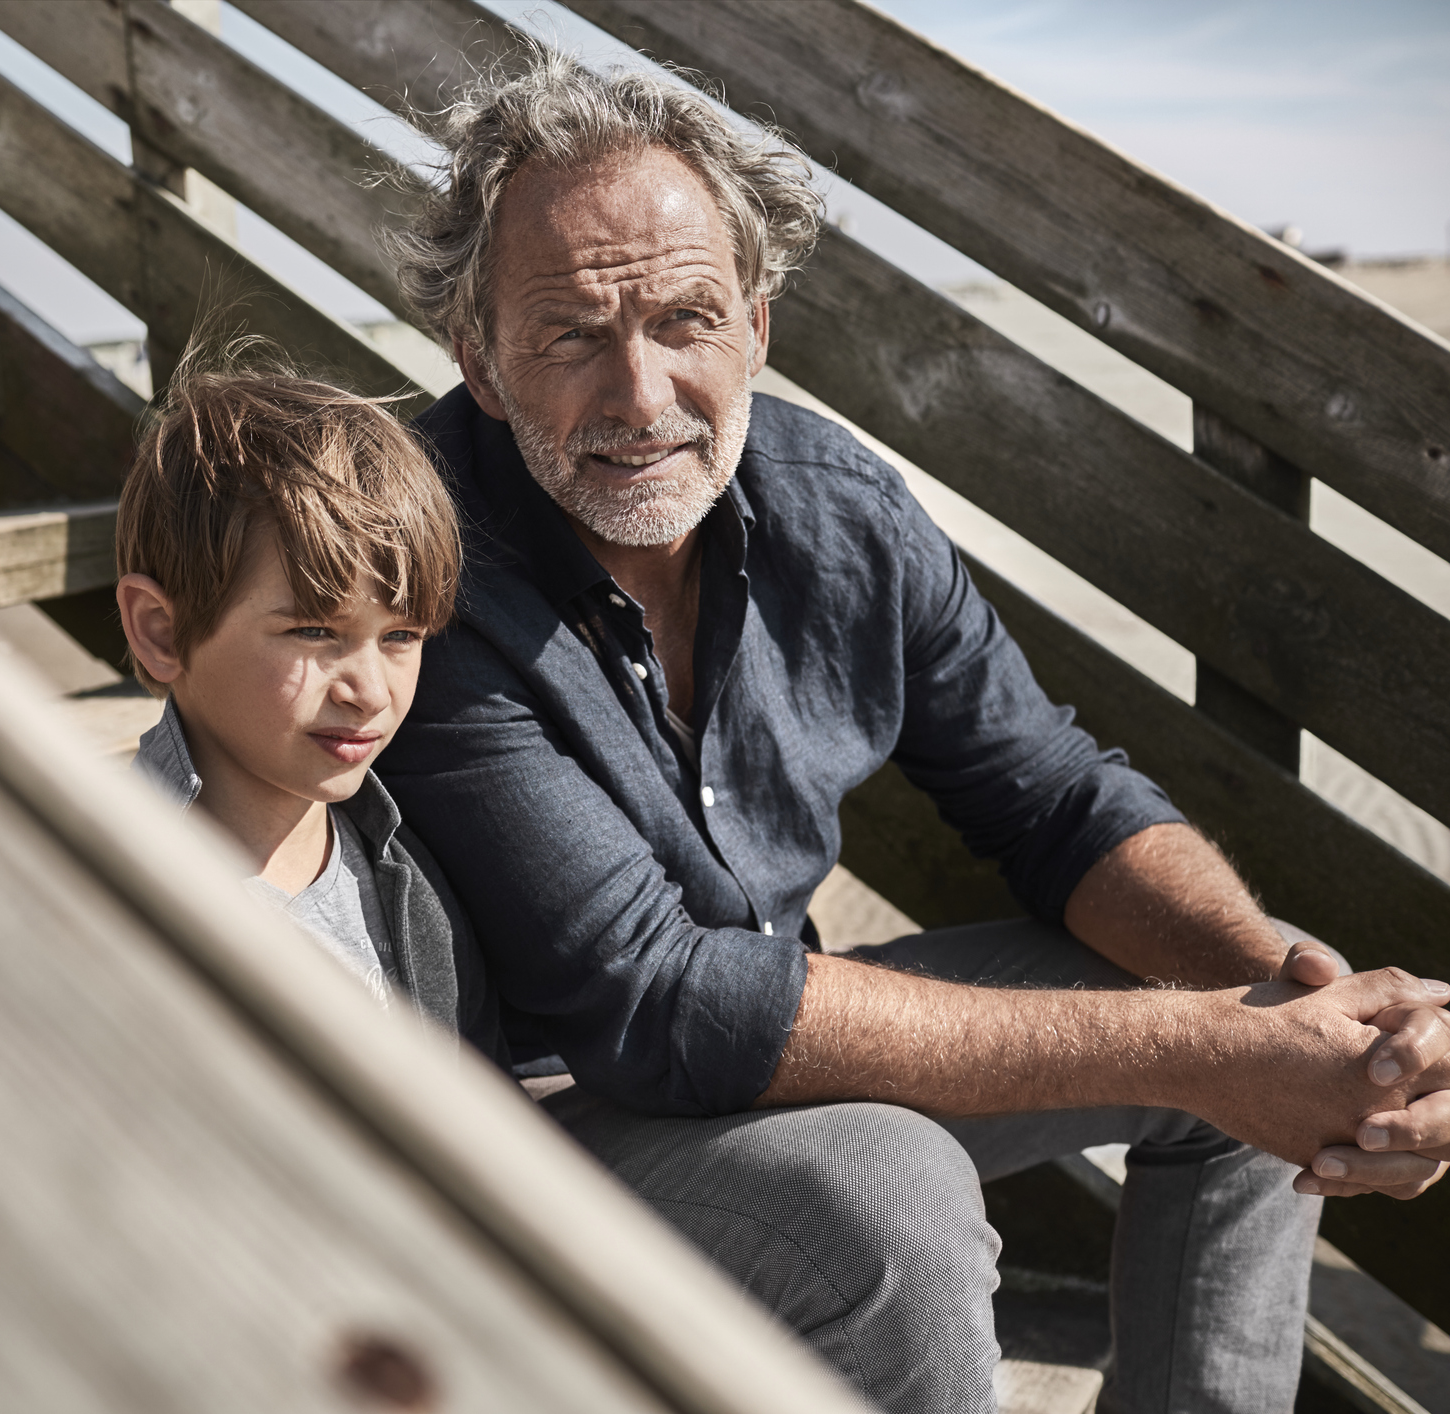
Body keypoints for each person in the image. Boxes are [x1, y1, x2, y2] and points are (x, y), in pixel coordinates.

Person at [373, 50, 1450, 1413]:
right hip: (517, 1129)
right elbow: (656, 1002)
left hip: (759, 1044)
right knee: (899, 1181)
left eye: (687, 320)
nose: (642, 398)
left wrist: (1299, 1015)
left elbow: (1053, 799)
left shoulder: (838, 508)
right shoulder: (418, 562)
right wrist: (1199, 1047)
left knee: (1259, 1018)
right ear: (477, 356)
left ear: (757, 326)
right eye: (574, 334)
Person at [112, 357, 504, 1059]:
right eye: (314, 631)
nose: (370, 691)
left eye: (401, 636)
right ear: (160, 632)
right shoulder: (106, 898)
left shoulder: (415, 878)